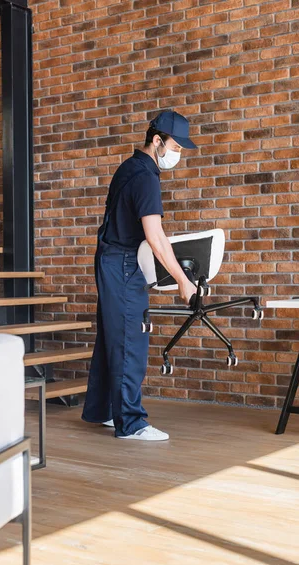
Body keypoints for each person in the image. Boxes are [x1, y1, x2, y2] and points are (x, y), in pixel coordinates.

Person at [82, 110, 198, 441]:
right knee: (131, 338)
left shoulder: (130, 167)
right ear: (156, 140)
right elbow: (155, 237)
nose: (177, 155)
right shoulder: (145, 177)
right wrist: (182, 280)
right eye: (174, 147)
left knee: (112, 336)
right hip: (122, 263)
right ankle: (131, 422)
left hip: (111, 258)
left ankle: (102, 411)